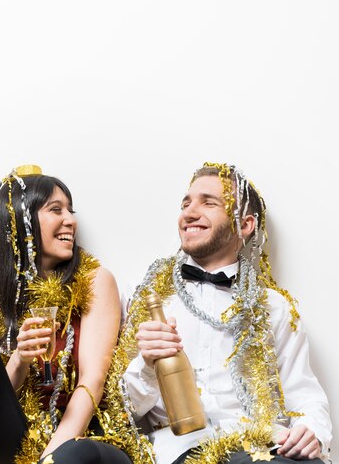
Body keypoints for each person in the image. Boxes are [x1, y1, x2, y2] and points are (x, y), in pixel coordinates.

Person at [112, 162, 332, 464]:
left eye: (209, 202)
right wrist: (147, 364)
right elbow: (120, 409)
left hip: (263, 446)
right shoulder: (147, 298)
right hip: (179, 450)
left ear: (245, 225)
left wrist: (311, 430)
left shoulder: (273, 307)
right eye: (186, 203)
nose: (189, 212)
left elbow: (304, 394)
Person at [0, 164, 132, 464]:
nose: (70, 221)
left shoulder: (95, 281)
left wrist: (48, 459)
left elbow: (92, 382)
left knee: (75, 452)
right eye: (56, 210)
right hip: (17, 441)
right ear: (22, 220)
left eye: (70, 211)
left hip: (85, 438)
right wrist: (19, 359)